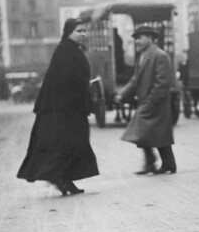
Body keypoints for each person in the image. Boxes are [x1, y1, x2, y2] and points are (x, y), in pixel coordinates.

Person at [17, 18, 99, 195]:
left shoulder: (70, 49)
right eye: (79, 31)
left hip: (69, 107)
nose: (83, 34)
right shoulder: (64, 50)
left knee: (73, 143)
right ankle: (60, 178)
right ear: (68, 32)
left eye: (84, 31)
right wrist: (85, 83)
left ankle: (65, 179)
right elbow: (67, 78)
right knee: (69, 143)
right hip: (63, 109)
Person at [116, 23, 177, 175]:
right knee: (155, 134)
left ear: (150, 38)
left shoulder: (160, 55)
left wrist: (151, 101)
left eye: (139, 38)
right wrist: (122, 93)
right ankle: (166, 163)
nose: (136, 41)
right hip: (148, 102)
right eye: (135, 38)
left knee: (143, 131)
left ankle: (154, 163)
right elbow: (135, 79)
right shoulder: (143, 56)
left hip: (156, 103)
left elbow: (162, 82)